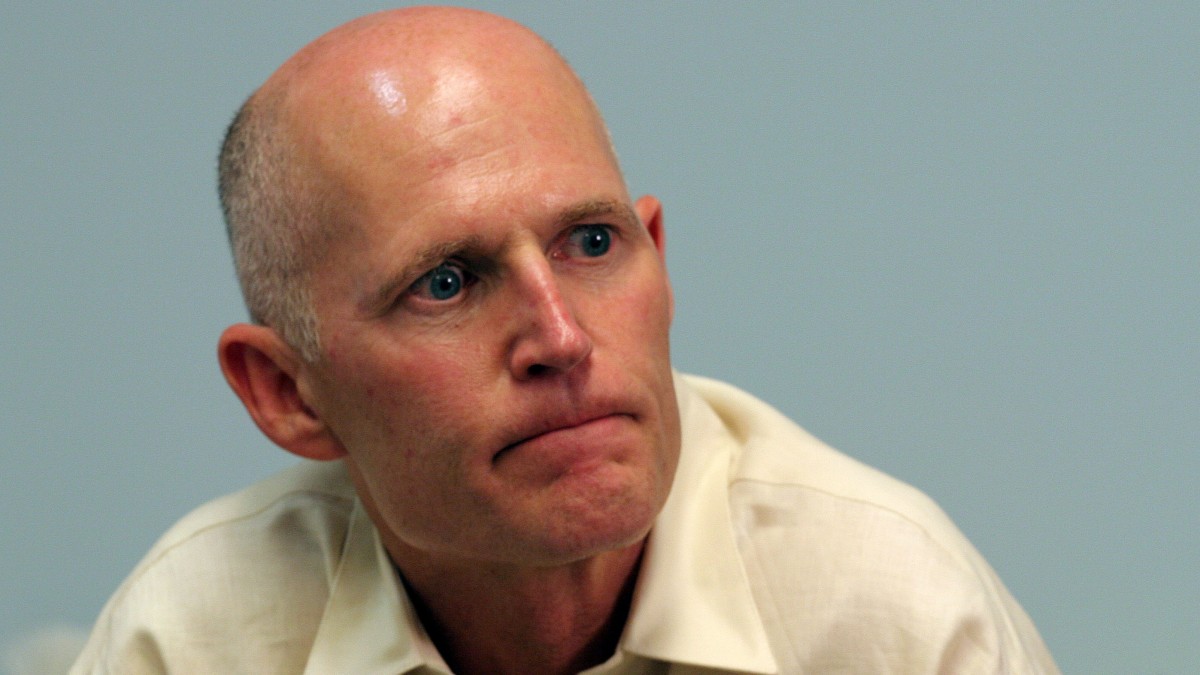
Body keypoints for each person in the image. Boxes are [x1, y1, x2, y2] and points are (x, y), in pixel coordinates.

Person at [72, 7, 1058, 674]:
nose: (559, 337)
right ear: (286, 391)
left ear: (659, 259)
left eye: (592, 244)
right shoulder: (193, 638)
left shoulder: (886, 613)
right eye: (446, 283)